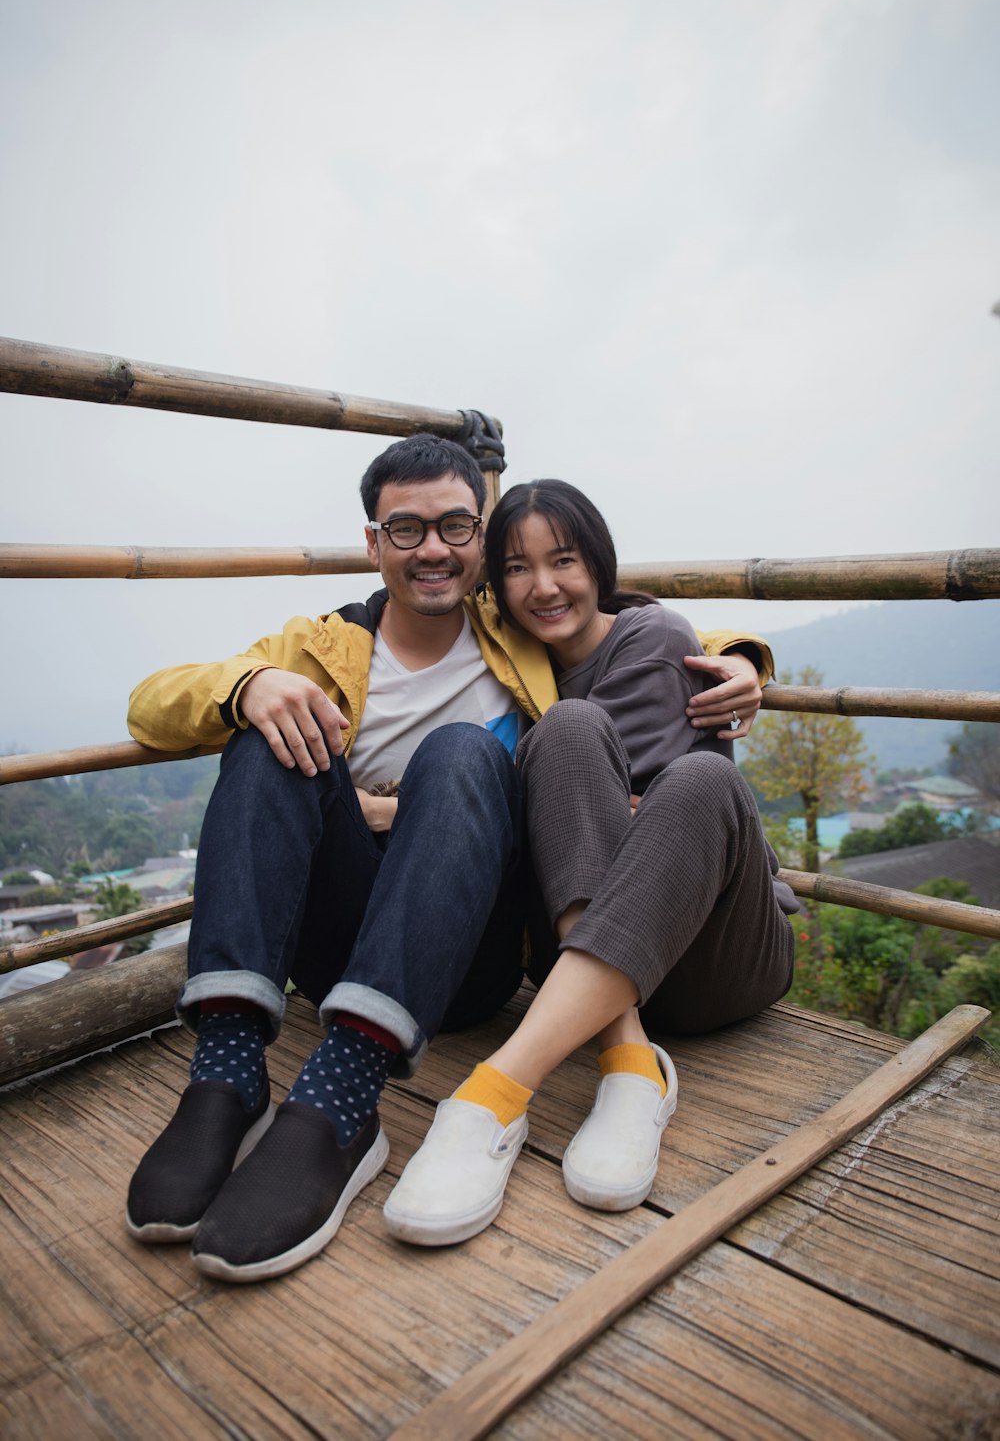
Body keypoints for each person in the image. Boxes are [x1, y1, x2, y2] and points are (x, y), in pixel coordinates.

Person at [124, 439, 770, 1283]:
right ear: (374, 543)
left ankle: (343, 1100)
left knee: (466, 751)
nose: (433, 547)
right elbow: (150, 705)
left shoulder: (513, 632)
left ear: (479, 541)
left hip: (468, 950)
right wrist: (249, 688)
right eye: (407, 528)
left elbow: (621, 622)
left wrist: (744, 657)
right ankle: (227, 1075)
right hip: (341, 940)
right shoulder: (321, 646)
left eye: (456, 525)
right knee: (263, 740)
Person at [382, 479, 797, 1247]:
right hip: (595, 975)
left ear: (597, 562)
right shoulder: (510, 669)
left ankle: (494, 1093)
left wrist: (742, 658)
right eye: (515, 567)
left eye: (563, 559)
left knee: (700, 778)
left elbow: (656, 825)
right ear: (492, 583)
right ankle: (631, 1062)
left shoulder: (652, 636)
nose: (543, 586)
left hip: (716, 959)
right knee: (569, 727)